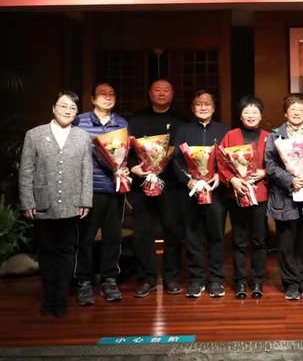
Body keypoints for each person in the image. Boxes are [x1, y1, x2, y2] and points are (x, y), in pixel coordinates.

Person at [19, 91, 92, 317]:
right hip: (43, 202)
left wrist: (85, 201)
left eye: (72, 108)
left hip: (71, 203)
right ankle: (48, 298)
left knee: (66, 252)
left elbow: (86, 171)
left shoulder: (83, 136)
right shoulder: (34, 135)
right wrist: (27, 201)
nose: (67, 111)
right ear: (53, 108)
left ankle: (60, 300)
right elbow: (26, 171)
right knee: (46, 252)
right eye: (63, 106)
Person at [127, 79, 189, 298]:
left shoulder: (182, 120)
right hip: (142, 184)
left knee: (173, 231)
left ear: (172, 94)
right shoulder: (136, 119)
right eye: (157, 90)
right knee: (142, 232)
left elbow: (186, 153)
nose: (161, 93)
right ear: (150, 93)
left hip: (172, 185)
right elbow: (127, 150)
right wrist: (132, 167)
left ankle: (171, 277)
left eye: (166, 90)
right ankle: (146, 278)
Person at [170, 90, 230, 298]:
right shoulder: (184, 130)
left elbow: (229, 160)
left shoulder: (224, 131)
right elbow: (174, 160)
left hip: (216, 192)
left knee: (216, 236)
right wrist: (188, 181)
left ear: (213, 107)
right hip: (190, 193)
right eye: (198, 104)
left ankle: (216, 280)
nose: (203, 107)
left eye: (207, 104)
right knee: (192, 237)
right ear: (192, 107)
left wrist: (220, 176)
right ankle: (196, 279)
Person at [73, 82, 129, 305]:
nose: (108, 97)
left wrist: (124, 168)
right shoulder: (79, 122)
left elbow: (125, 155)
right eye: (102, 94)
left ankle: (109, 280)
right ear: (93, 98)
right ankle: (84, 282)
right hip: (89, 190)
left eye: (112, 94)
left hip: (115, 189)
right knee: (85, 238)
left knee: (112, 238)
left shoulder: (122, 123)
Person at [264, 93, 303, 301]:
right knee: (286, 241)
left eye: (301, 109)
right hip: (284, 195)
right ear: (285, 113)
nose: (296, 113)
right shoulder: (275, 137)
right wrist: (290, 180)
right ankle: (290, 283)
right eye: (292, 109)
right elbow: (270, 164)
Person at [217, 96, 270, 299]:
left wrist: (264, 172)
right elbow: (221, 162)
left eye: (255, 112)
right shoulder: (231, 136)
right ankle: (239, 281)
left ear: (261, 116)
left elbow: (276, 162)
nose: (251, 115)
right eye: (246, 112)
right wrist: (232, 180)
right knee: (239, 240)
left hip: (260, 195)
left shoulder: (268, 137)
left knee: (259, 240)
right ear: (240, 116)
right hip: (236, 194)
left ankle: (257, 281)